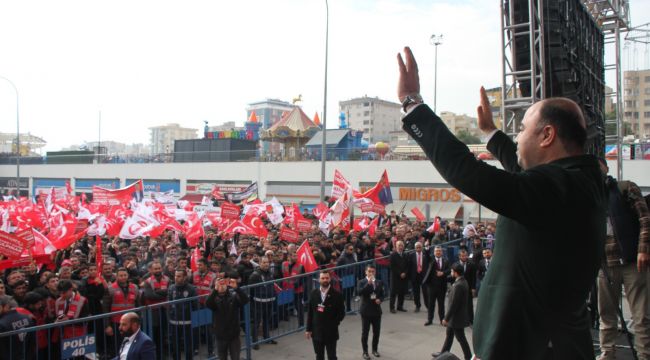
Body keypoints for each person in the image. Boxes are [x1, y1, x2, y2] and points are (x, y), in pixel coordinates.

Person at [397, 47, 607, 359]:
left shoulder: (559, 189)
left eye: (522, 129)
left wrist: (412, 103)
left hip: (529, 348)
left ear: (547, 135)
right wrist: (492, 134)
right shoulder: (579, 182)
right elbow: (523, 171)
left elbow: (470, 172)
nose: (518, 137)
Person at [596, 158, 650, 360]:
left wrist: (643, 250)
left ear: (606, 168)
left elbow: (645, 219)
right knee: (606, 314)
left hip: (632, 261)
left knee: (641, 315)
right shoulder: (591, 197)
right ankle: (607, 352)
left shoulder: (626, 187)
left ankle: (644, 355)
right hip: (605, 263)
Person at [205, 272, 249, 360]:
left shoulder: (233, 296)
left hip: (234, 335)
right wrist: (215, 290)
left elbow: (245, 300)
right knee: (222, 357)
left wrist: (237, 288)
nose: (221, 285)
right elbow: (208, 303)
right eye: (219, 283)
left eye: (223, 283)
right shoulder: (214, 298)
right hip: (220, 335)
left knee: (235, 357)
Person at [432, 264, 472, 360]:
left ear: (456, 273)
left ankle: (469, 357)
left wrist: (446, 318)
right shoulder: (463, 281)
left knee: (461, 338)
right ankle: (443, 353)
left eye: (452, 271)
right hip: (455, 318)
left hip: (456, 318)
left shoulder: (458, 285)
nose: (451, 273)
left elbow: (454, 304)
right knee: (449, 336)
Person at [306, 270, 346, 360]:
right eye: (323, 278)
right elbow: (310, 313)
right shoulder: (313, 293)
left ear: (330, 279)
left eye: (327, 278)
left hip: (331, 332)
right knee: (319, 356)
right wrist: (308, 329)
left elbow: (341, 313)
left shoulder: (337, 295)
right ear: (319, 280)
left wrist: (334, 324)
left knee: (332, 356)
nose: (325, 280)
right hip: (317, 332)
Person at [248, 256, 278, 349]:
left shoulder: (270, 273)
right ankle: (254, 342)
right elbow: (250, 291)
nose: (266, 264)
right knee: (256, 322)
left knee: (266, 320)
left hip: (269, 301)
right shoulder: (255, 275)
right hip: (258, 303)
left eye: (267, 262)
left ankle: (267, 338)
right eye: (264, 262)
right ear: (260, 263)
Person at [168, 268, 198, 360]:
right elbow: (169, 302)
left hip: (188, 322)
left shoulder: (191, 289)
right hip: (174, 322)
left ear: (185, 277)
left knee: (188, 346)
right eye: (175, 276)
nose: (176, 278)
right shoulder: (171, 287)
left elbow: (195, 305)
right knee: (175, 346)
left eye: (179, 276)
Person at [357, 264, 385, 360]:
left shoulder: (379, 282)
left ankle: (375, 350)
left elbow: (382, 295)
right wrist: (367, 284)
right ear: (366, 272)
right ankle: (365, 352)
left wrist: (380, 300)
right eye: (369, 271)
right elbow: (360, 292)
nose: (371, 273)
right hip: (366, 311)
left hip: (376, 311)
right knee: (365, 333)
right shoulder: (361, 282)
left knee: (376, 332)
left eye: (373, 271)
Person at [0, 295, 35, 360]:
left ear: (6, 306)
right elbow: (32, 341)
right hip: (26, 355)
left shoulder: (2, 323)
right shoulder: (27, 318)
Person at [423, 246, 449, 326]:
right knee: (431, 304)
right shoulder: (431, 260)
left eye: (439, 251)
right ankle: (430, 320)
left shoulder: (446, 260)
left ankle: (442, 320)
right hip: (431, 286)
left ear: (442, 252)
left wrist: (443, 273)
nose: (438, 252)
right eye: (436, 251)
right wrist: (427, 248)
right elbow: (427, 255)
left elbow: (449, 270)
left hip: (442, 287)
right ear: (434, 252)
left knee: (441, 305)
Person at [454, 249, 477, 324]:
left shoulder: (472, 264)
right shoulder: (455, 264)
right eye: (462, 256)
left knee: (469, 305)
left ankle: (470, 320)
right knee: (458, 304)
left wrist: (473, 288)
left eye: (465, 256)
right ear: (459, 256)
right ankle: (459, 319)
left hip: (468, 287)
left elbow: (474, 277)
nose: (464, 257)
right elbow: (453, 277)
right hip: (458, 288)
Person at [408, 241, 429, 313]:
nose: (418, 249)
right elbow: (409, 266)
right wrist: (410, 276)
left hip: (423, 276)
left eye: (420, 247)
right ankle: (417, 306)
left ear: (422, 247)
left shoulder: (425, 254)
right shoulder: (411, 255)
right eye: (417, 247)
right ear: (415, 248)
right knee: (416, 292)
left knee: (425, 292)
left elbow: (429, 261)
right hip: (415, 276)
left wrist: (427, 247)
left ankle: (428, 306)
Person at [389, 240, 408, 313]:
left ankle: (400, 306)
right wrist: (400, 273)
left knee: (401, 292)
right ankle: (392, 308)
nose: (401, 247)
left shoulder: (405, 255)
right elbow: (392, 266)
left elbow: (407, 265)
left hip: (403, 276)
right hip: (395, 276)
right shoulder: (393, 255)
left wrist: (405, 273)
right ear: (396, 246)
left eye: (402, 245)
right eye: (399, 245)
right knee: (393, 292)